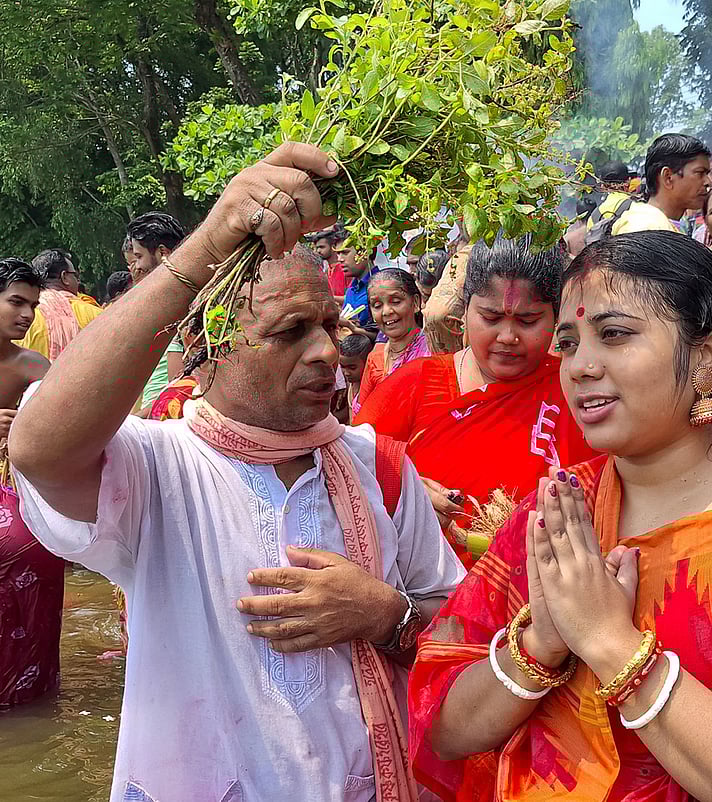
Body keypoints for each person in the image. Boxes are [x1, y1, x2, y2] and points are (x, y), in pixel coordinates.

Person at [9, 143, 466, 802]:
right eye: (289, 332)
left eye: (330, 325)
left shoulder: (380, 466)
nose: (326, 354)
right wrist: (206, 247)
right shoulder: (158, 468)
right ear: (204, 350)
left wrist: (386, 616)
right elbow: (39, 450)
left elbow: (463, 638)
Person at [408, 230, 712, 802]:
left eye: (614, 335)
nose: (581, 367)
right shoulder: (560, 518)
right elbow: (441, 727)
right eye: (568, 343)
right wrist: (543, 642)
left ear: (706, 355)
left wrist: (611, 644)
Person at [354, 236, 597, 566]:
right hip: (426, 601)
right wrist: (403, 491)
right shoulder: (413, 386)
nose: (507, 337)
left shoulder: (578, 389)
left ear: (555, 319)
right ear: (465, 311)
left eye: (528, 321)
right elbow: (348, 477)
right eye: (491, 317)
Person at [0, 257, 57, 707]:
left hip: (20, 489)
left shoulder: (34, 365)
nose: (26, 314)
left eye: (33, 306)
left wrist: (31, 426)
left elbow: (71, 423)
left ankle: (31, 692)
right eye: (16, 301)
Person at [122, 212, 188, 414]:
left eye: (139, 256)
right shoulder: (168, 302)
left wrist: (138, 421)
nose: (138, 267)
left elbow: (179, 388)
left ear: (162, 252)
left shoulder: (184, 305)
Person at [357, 269, 431, 412]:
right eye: (377, 306)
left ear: (415, 302)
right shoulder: (375, 359)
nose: (386, 312)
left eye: (396, 302)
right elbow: (362, 414)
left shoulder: (433, 351)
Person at [611, 134, 712, 235]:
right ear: (668, 177)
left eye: (707, 174)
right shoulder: (645, 229)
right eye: (700, 173)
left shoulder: (657, 225)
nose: (708, 182)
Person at [17, 248, 102, 362]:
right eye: (75, 275)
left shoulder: (19, 320)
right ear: (64, 277)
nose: (77, 281)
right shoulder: (97, 315)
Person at [334, 241, 379, 329]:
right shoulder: (351, 290)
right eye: (338, 253)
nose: (340, 259)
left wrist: (353, 328)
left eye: (345, 252)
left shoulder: (382, 286)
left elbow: (383, 335)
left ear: (366, 253)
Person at [308, 225, 349, 302]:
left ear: (333, 247)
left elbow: (352, 299)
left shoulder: (345, 268)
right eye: (317, 248)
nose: (318, 251)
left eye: (322, 247)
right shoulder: (327, 271)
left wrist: (328, 298)